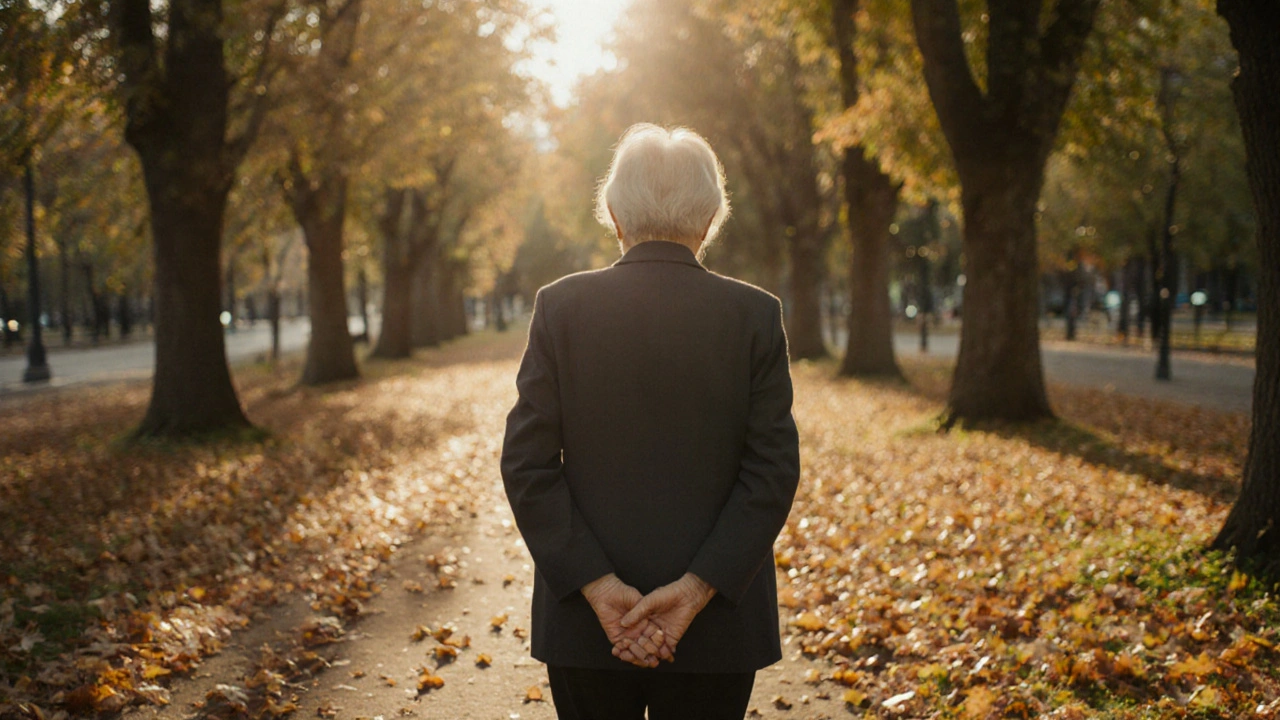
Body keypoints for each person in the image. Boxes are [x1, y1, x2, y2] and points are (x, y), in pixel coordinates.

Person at [501, 123, 801, 720]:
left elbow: (526, 464)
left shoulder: (560, 307)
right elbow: (771, 472)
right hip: (716, 625)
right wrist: (695, 590)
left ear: (614, 215)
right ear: (710, 219)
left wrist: (598, 587)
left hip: (587, 623)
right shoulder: (755, 315)